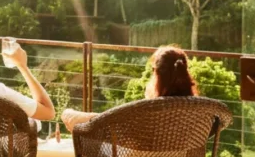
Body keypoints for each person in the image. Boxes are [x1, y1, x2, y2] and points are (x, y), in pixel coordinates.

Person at [60, 45, 198, 133]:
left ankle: (71, 115)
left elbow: (113, 123)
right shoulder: (199, 111)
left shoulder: (152, 110)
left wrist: (71, 115)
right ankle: (73, 116)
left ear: (157, 74)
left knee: (96, 132)